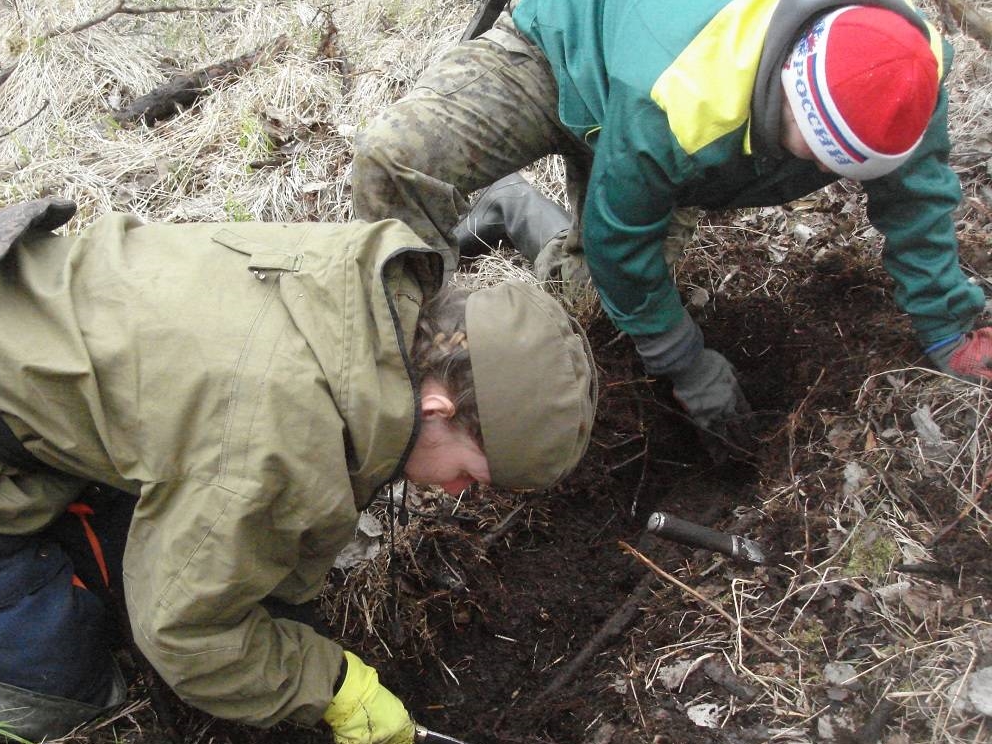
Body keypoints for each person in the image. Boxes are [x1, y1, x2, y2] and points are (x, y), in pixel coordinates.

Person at [0, 208, 597, 744]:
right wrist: (328, 682)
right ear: (437, 401)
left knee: (127, 577)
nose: (462, 497)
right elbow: (182, 634)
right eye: (475, 476)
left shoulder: (365, 307)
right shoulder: (279, 429)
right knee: (49, 699)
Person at [352, 0, 992, 452]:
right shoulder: (689, 95)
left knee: (592, 316)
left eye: (839, 167)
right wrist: (687, 364)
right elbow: (620, 242)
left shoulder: (902, 68)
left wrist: (947, 324)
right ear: (789, 77)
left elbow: (916, 198)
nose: (817, 170)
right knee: (397, 157)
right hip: (561, 51)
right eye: (810, 146)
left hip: (659, 139)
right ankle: (414, 371)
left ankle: (511, 207)